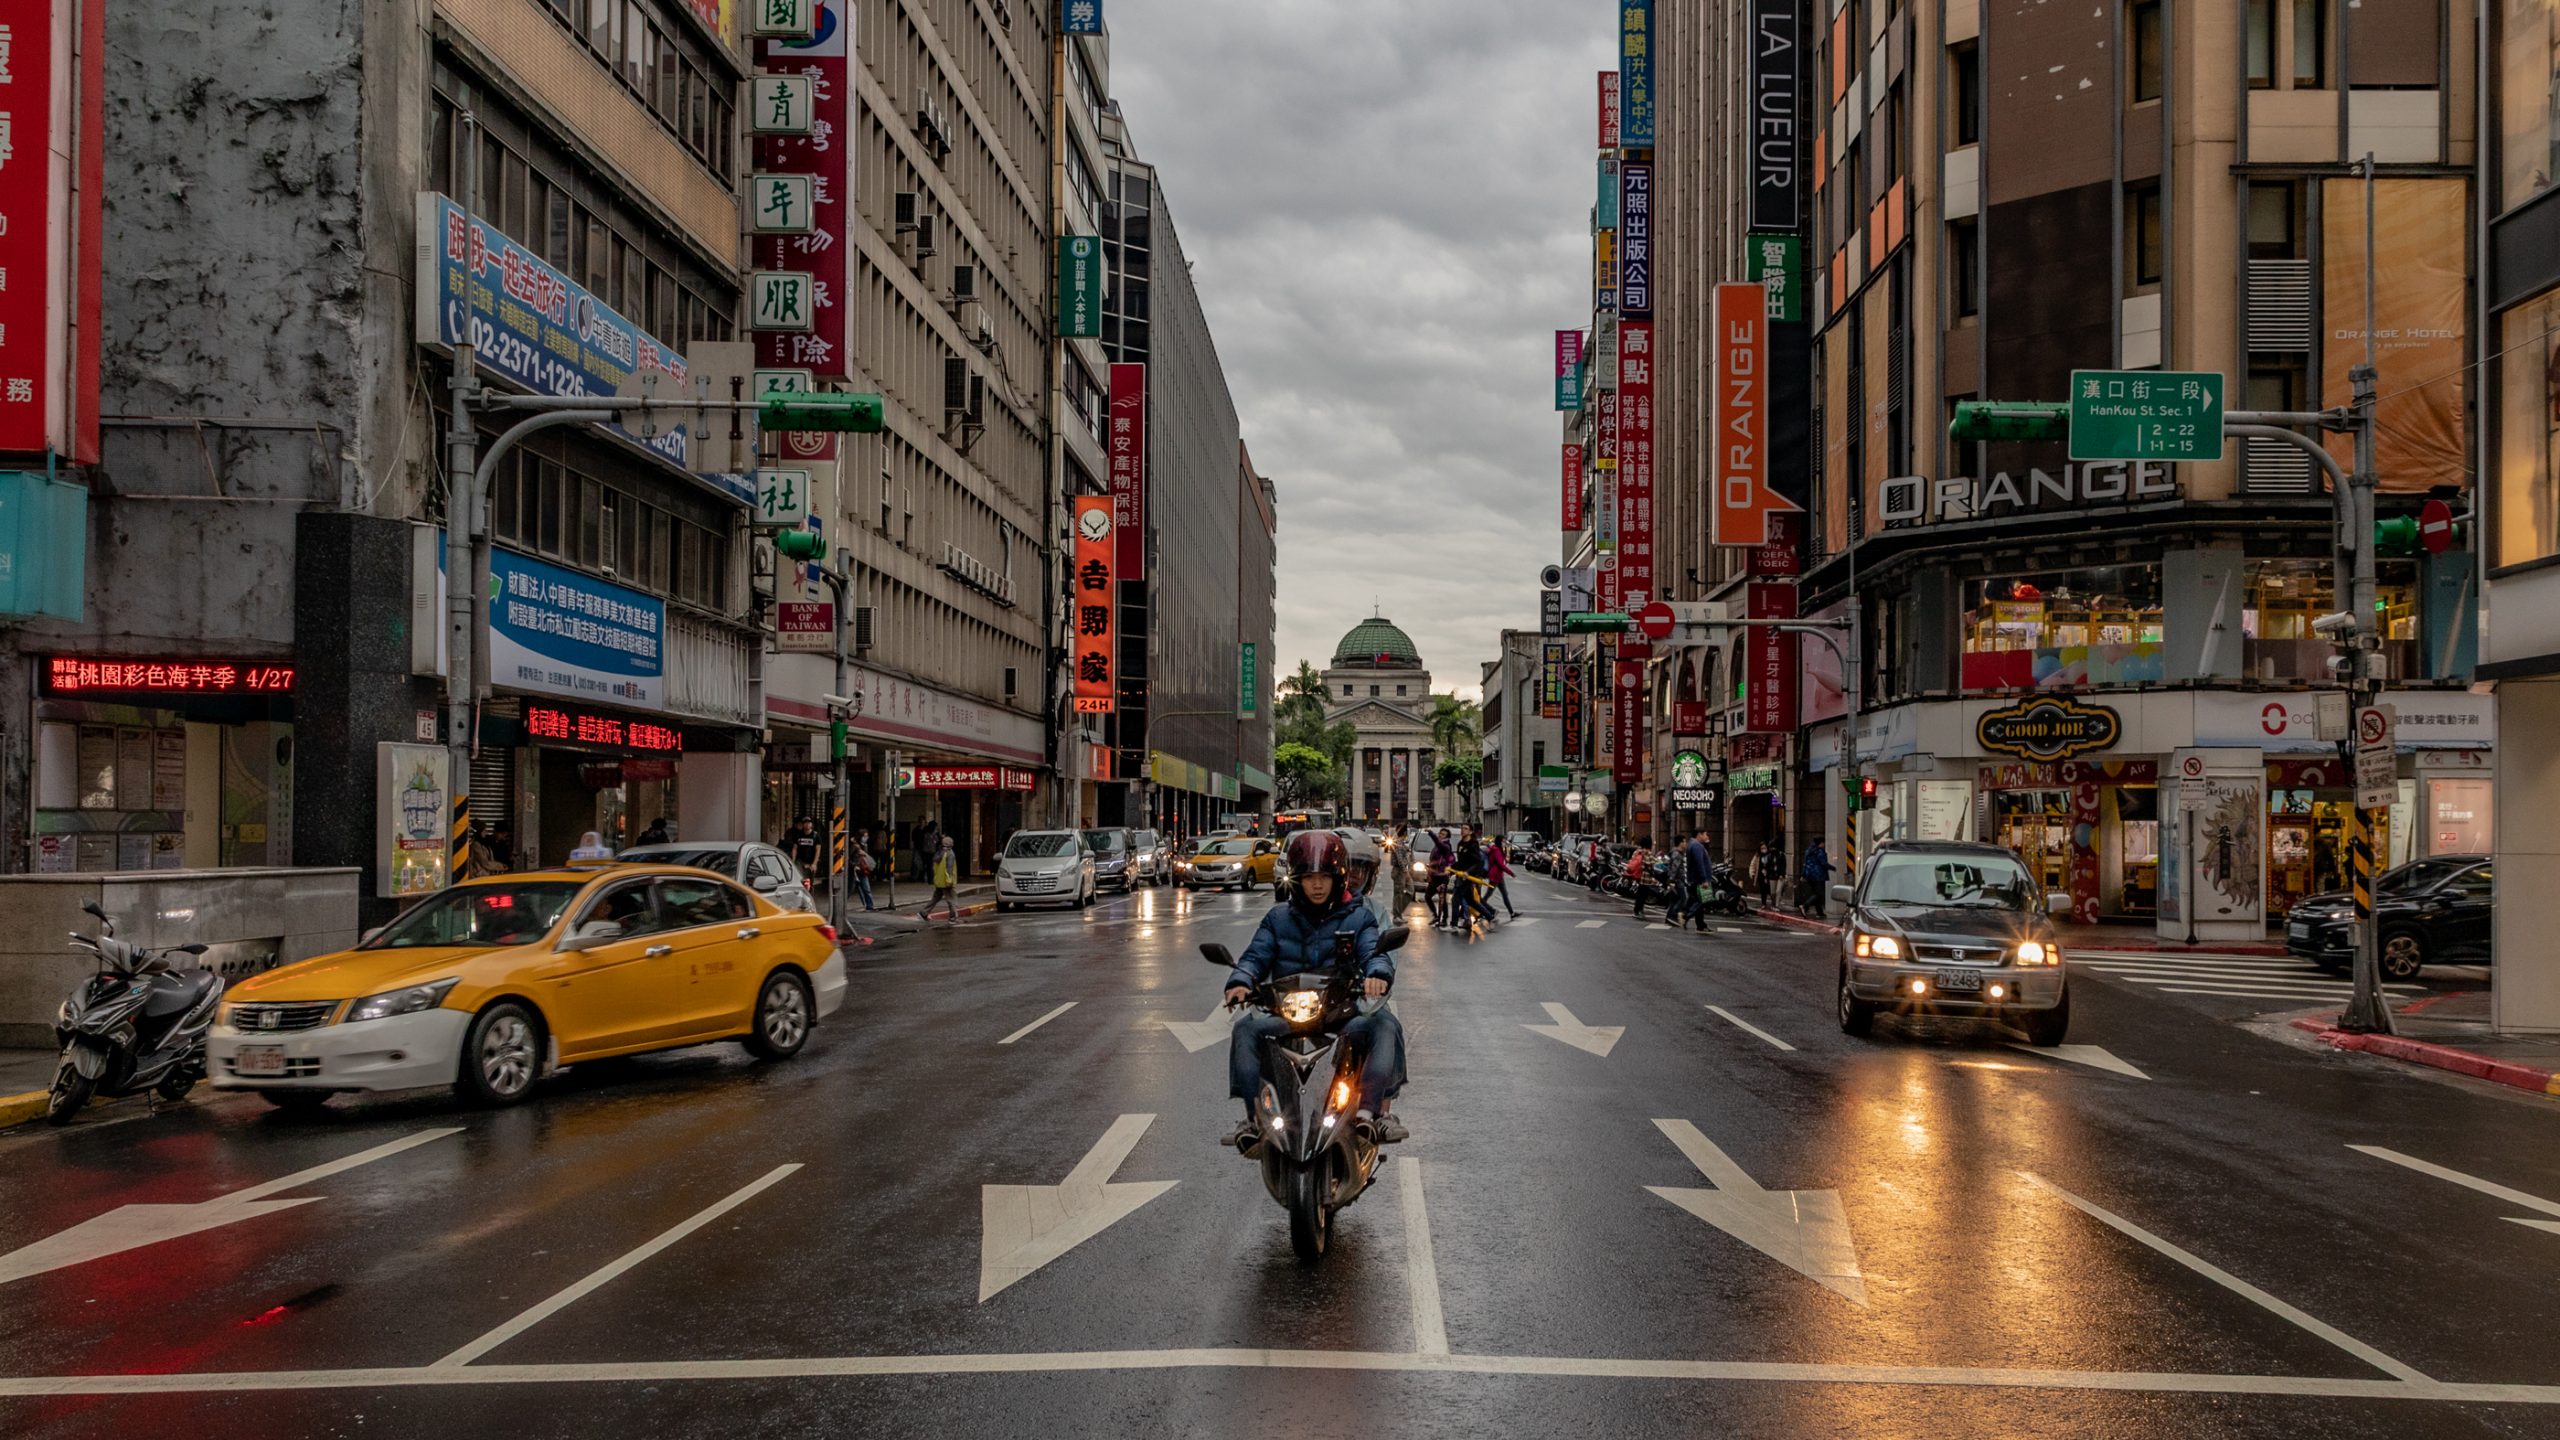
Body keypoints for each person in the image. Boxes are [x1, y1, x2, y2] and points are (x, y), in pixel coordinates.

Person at [1222, 831, 1406, 1146]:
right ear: (1297, 880)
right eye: (1309, 878)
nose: (1317, 885)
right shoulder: (1277, 918)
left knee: (1384, 1025)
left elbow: (1374, 953)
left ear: (1339, 878)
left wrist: (1377, 976)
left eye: (1324, 877)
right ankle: (1253, 1119)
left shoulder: (1360, 917)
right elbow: (1256, 955)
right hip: (1287, 1013)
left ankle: (1370, 1115)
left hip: (1341, 1013)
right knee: (1245, 1030)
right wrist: (1240, 981)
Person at [921, 836, 961, 921]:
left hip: (939, 880)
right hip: (946, 881)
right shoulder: (950, 854)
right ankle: (953, 916)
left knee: (935, 898)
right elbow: (949, 869)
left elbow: (935, 867)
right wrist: (949, 880)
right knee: (951, 899)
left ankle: (923, 913)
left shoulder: (939, 853)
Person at [1485, 835, 1521, 919]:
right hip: (1495, 875)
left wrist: (1507, 852)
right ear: (1499, 841)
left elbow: (1503, 862)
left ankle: (1512, 913)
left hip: (1499, 875)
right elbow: (1501, 865)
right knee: (1487, 895)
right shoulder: (1496, 850)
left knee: (1505, 894)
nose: (1505, 843)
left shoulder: (1498, 850)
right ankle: (1484, 910)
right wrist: (1511, 873)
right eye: (1503, 841)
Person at [1802, 838, 1834, 916]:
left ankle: (1819, 912)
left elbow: (1805, 864)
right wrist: (1833, 868)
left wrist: (1803, 875)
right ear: (1820, 843)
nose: (1824, 845)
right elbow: (1823, 863)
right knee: (1819, 894)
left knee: (1815, 894)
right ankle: (1805, 906)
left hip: (1809, 876)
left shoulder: (1808, 851)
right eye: (1823, 843)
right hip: (1818, 875)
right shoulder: (1820, 851)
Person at [850, 828, 877, 911]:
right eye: (864, 836)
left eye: (867, 836)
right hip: (854, 870)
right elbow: (848, 857)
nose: (866, 838)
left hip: (862, 869)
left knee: (866, 888)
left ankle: (870, 906)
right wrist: (853, 865)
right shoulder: (854, 846)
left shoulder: (864, 845)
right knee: (850, 889)